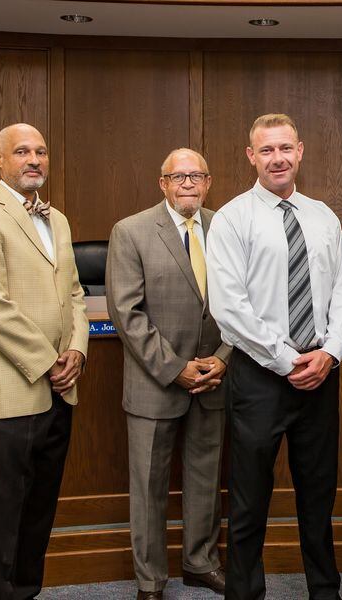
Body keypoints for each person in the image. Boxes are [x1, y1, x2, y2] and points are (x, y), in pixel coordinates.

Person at [206, 113, 342, 600]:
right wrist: (285, 359)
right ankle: (246, 593)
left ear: (301, 151)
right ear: (251, 156)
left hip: (320, 374)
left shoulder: (323, 217)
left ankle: (324, 592)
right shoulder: (233, 218)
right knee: (250, 501)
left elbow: (341, 292)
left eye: (285, 148)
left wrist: (331, 353)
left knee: (319, 497)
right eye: (267, 150)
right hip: (260, 377)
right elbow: (229, 307)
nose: (278, 158)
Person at [0, 123, 89, 599]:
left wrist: (77, 350)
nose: (34, 159)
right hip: (6, 393)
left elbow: (73, 293)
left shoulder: (59, 220)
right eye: (22, 151)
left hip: (60, 389)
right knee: (0, 516)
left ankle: (26, 592)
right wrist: (48, 359)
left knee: (37, 512)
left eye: (41, 151)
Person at [106, 148, 231, 600]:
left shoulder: (226, 228)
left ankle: (200, 563)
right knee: (148, 487)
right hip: (155, 384)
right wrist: (176, 369)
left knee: (205, 479)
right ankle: (150, 581)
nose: (187, 184)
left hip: (214, 379)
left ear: (208, 181)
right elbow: (127, 314)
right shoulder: (132, 231)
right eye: (178, 176)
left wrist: (224, 357)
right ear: (162, 183)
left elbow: (245, 305)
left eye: (196, 175)